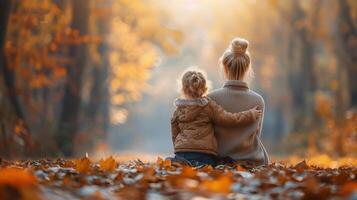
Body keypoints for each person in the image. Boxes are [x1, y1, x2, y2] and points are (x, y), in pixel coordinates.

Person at [170, 70, 262, 166]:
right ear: (204, 88)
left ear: (182, 89)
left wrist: (179, 147)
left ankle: (183, 163)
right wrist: (250, 114)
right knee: (206, 170)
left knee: (183, 169)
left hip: (182, 152)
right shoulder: (208, 105)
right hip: (204, 153)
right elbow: (229, 119)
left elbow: (174, 134)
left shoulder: (178, 110)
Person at [208, 37, 270, 166]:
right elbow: (256, 135)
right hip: (253, 162)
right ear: (247, 68)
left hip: (219, 162)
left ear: (225, 67)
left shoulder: (210, 98)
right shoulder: (258, 100)